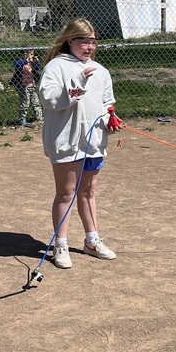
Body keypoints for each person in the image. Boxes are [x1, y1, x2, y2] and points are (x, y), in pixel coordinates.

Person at [38, 17, 122, 269]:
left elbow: (107, 103)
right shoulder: (56, 67)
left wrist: (111, 118)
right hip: (66, 140)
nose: (88, 47)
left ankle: (92, 241)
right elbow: (49, 99)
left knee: (88, 191)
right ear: (69, 41)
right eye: (83, 41)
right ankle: (60, 245)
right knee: (66, 193)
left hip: (93, 140)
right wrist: (77, 84)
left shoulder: (102, 71)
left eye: (92, 42)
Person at [12, 47, 43, 126]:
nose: (32, 56)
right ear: (25, 55)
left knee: (36, 102)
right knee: (25, 103)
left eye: (33, 54)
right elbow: (16, 65)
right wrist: (26, 61)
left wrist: (36, 62)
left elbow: (36, 68)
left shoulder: (31, 63)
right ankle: (22, 119)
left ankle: (39, 117)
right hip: (24, 86)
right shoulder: (21, 62)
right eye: (31, 54)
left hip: (32, 85)